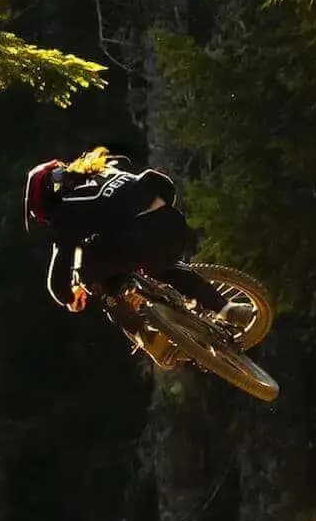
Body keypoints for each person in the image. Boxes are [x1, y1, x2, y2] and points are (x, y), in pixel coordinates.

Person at [22, 147, 244, 361]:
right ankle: (227, 308)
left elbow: (58, 280)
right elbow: (154, 180)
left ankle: (146, 336)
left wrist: (70, 297)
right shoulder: (103, 168)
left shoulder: (64, 213)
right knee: (164, 267)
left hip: (139, 242)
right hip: (172, 224)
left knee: (91, 275)